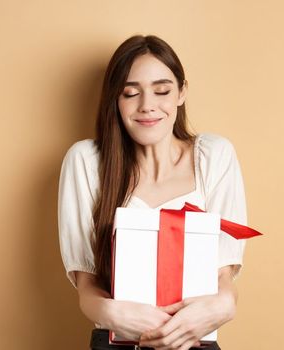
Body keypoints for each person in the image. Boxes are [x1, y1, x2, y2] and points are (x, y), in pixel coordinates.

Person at [58, 35, 252, 350]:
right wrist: (115, 313)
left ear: (181, 93)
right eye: (131, 93)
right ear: (115, 100)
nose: (147, 105)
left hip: (193, 340)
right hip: (116, 341)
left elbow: (223, 280)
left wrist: (224, 305)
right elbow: (87, 288)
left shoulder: (214, 155)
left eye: (162, 90)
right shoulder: (86, 162)